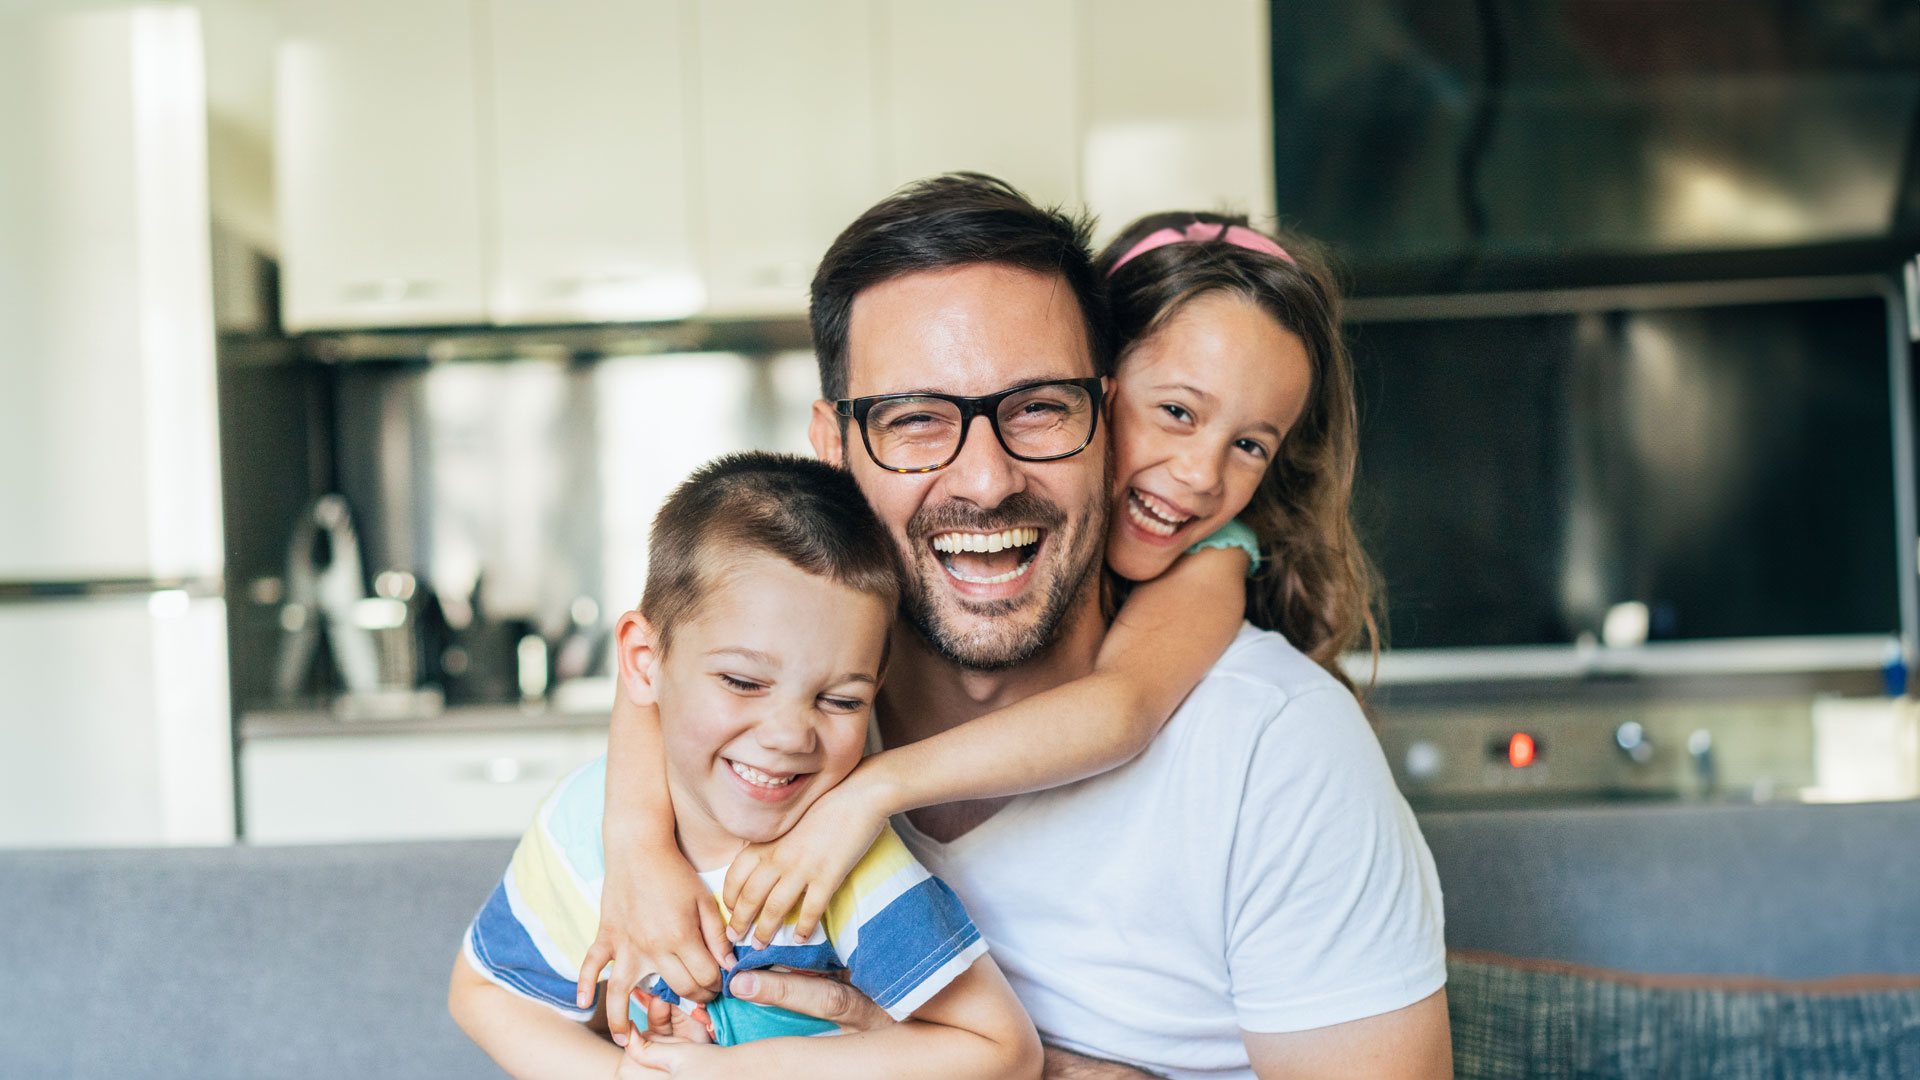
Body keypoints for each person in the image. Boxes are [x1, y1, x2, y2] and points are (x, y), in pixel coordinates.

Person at [591, 174, 1450, 1079]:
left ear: (1102, 418)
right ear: (833, 446)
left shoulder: (1273, 746)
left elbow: (1122, 712)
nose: (987, 479)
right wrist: (633, 846)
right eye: (915, 419)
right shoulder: (766, 725)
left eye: (1038, 407)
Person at [446, 452, 1043, 1080]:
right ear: (645, 662)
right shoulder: (579, 825)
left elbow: (1002, 1051)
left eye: (841, 700)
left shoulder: (837, 859)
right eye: (742, 680)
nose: (789, 735)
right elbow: (484, 994)